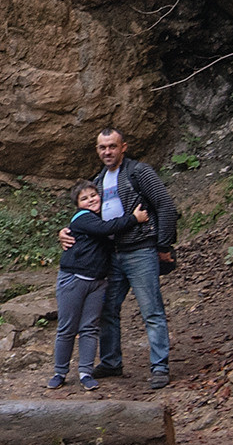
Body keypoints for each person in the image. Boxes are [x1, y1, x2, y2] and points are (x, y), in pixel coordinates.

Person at [61, 127, 179, 390]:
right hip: (111, 256)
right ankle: (111, 361)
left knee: (151, 310)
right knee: (107, 309)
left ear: (123, 147)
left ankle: (160, 366)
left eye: (112, 146)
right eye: (102, 147)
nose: (107, 152)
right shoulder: (98, 181)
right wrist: (65, 231)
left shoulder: (139, 172)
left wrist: (163, 244)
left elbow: (165, 205)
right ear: (97, 150)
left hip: (140, 251)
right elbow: (87, 217)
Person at [48, 182, 146, 391]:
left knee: (90, 328)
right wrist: (134, 219)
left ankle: (85, 372)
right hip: (73, 278)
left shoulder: (99, 218)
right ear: (77, 204)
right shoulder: (83, 218)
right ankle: (59, 372)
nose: (91, 200)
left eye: (94, 195)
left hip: (98, 281)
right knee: (67, 328)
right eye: (85, 198)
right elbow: (106, 229)